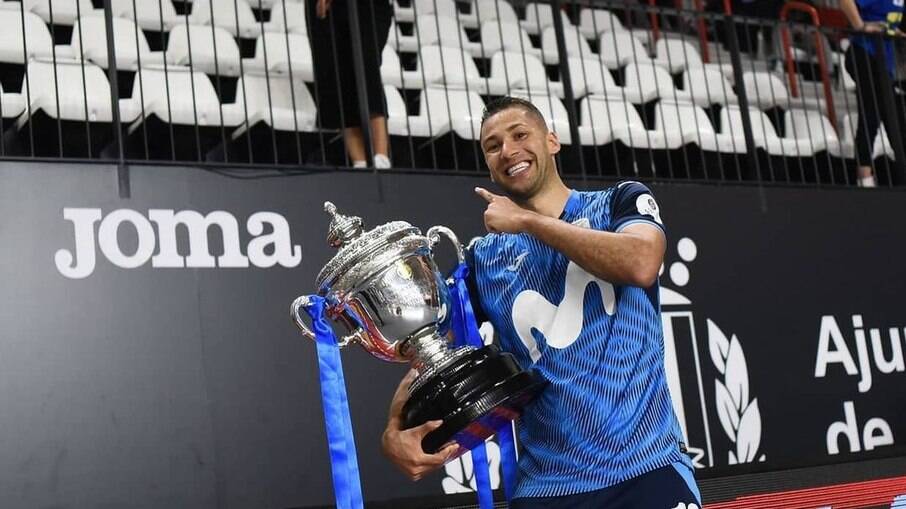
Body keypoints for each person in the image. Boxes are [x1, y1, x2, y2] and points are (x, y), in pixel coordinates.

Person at [381, 97, 701, 508]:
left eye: (520, 134)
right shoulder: (484, 259)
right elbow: (430, 349)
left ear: (552, 140)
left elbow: (642, 263)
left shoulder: (618, 202)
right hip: (550, 488)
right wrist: (394, 429)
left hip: (647, 469)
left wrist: (529, 221)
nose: (508, 151)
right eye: (492, 146)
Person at [307, 0, 392, 169]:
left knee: (367, 70)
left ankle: (381, 157)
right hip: (327, 9)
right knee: (336, 75)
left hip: (366, 7)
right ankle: (359, 161)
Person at [840, 0, 905, 187]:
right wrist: (860, 26)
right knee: (872, 114)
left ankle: (869, 176)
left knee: (894, 118)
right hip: (864, 54)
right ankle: (864, 178)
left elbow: (890, 23)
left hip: (884, 62)